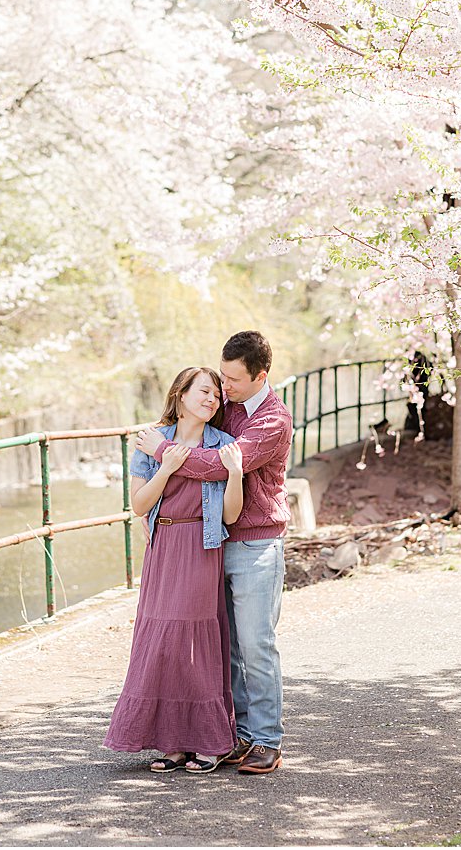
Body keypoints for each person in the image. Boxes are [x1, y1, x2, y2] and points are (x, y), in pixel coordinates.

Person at [131, 330, 294, 775]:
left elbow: (213, 464)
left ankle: (266, 740)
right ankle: (236, 734)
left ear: (261, 376)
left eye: (233, 379)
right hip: (213, 543)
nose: (224, 388)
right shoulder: (227, 406)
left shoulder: (272, 420)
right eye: (220, 377)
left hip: (256, 541)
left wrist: (162, 450)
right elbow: (191, 424)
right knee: (228, 647)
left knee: (257, 643)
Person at [106, 367, 245, 772]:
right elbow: (138, 504)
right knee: (163, 640)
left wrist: (234, 472)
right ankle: (172, 742)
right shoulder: (151, 441)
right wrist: (164, 466)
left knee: (194, 642)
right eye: (204, 392)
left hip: (201, 545)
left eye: (216, 396)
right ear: (181, 395)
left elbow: (231, 514)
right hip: (163, 546)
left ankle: (207, 740)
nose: (212, 400)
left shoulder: (224, 445)